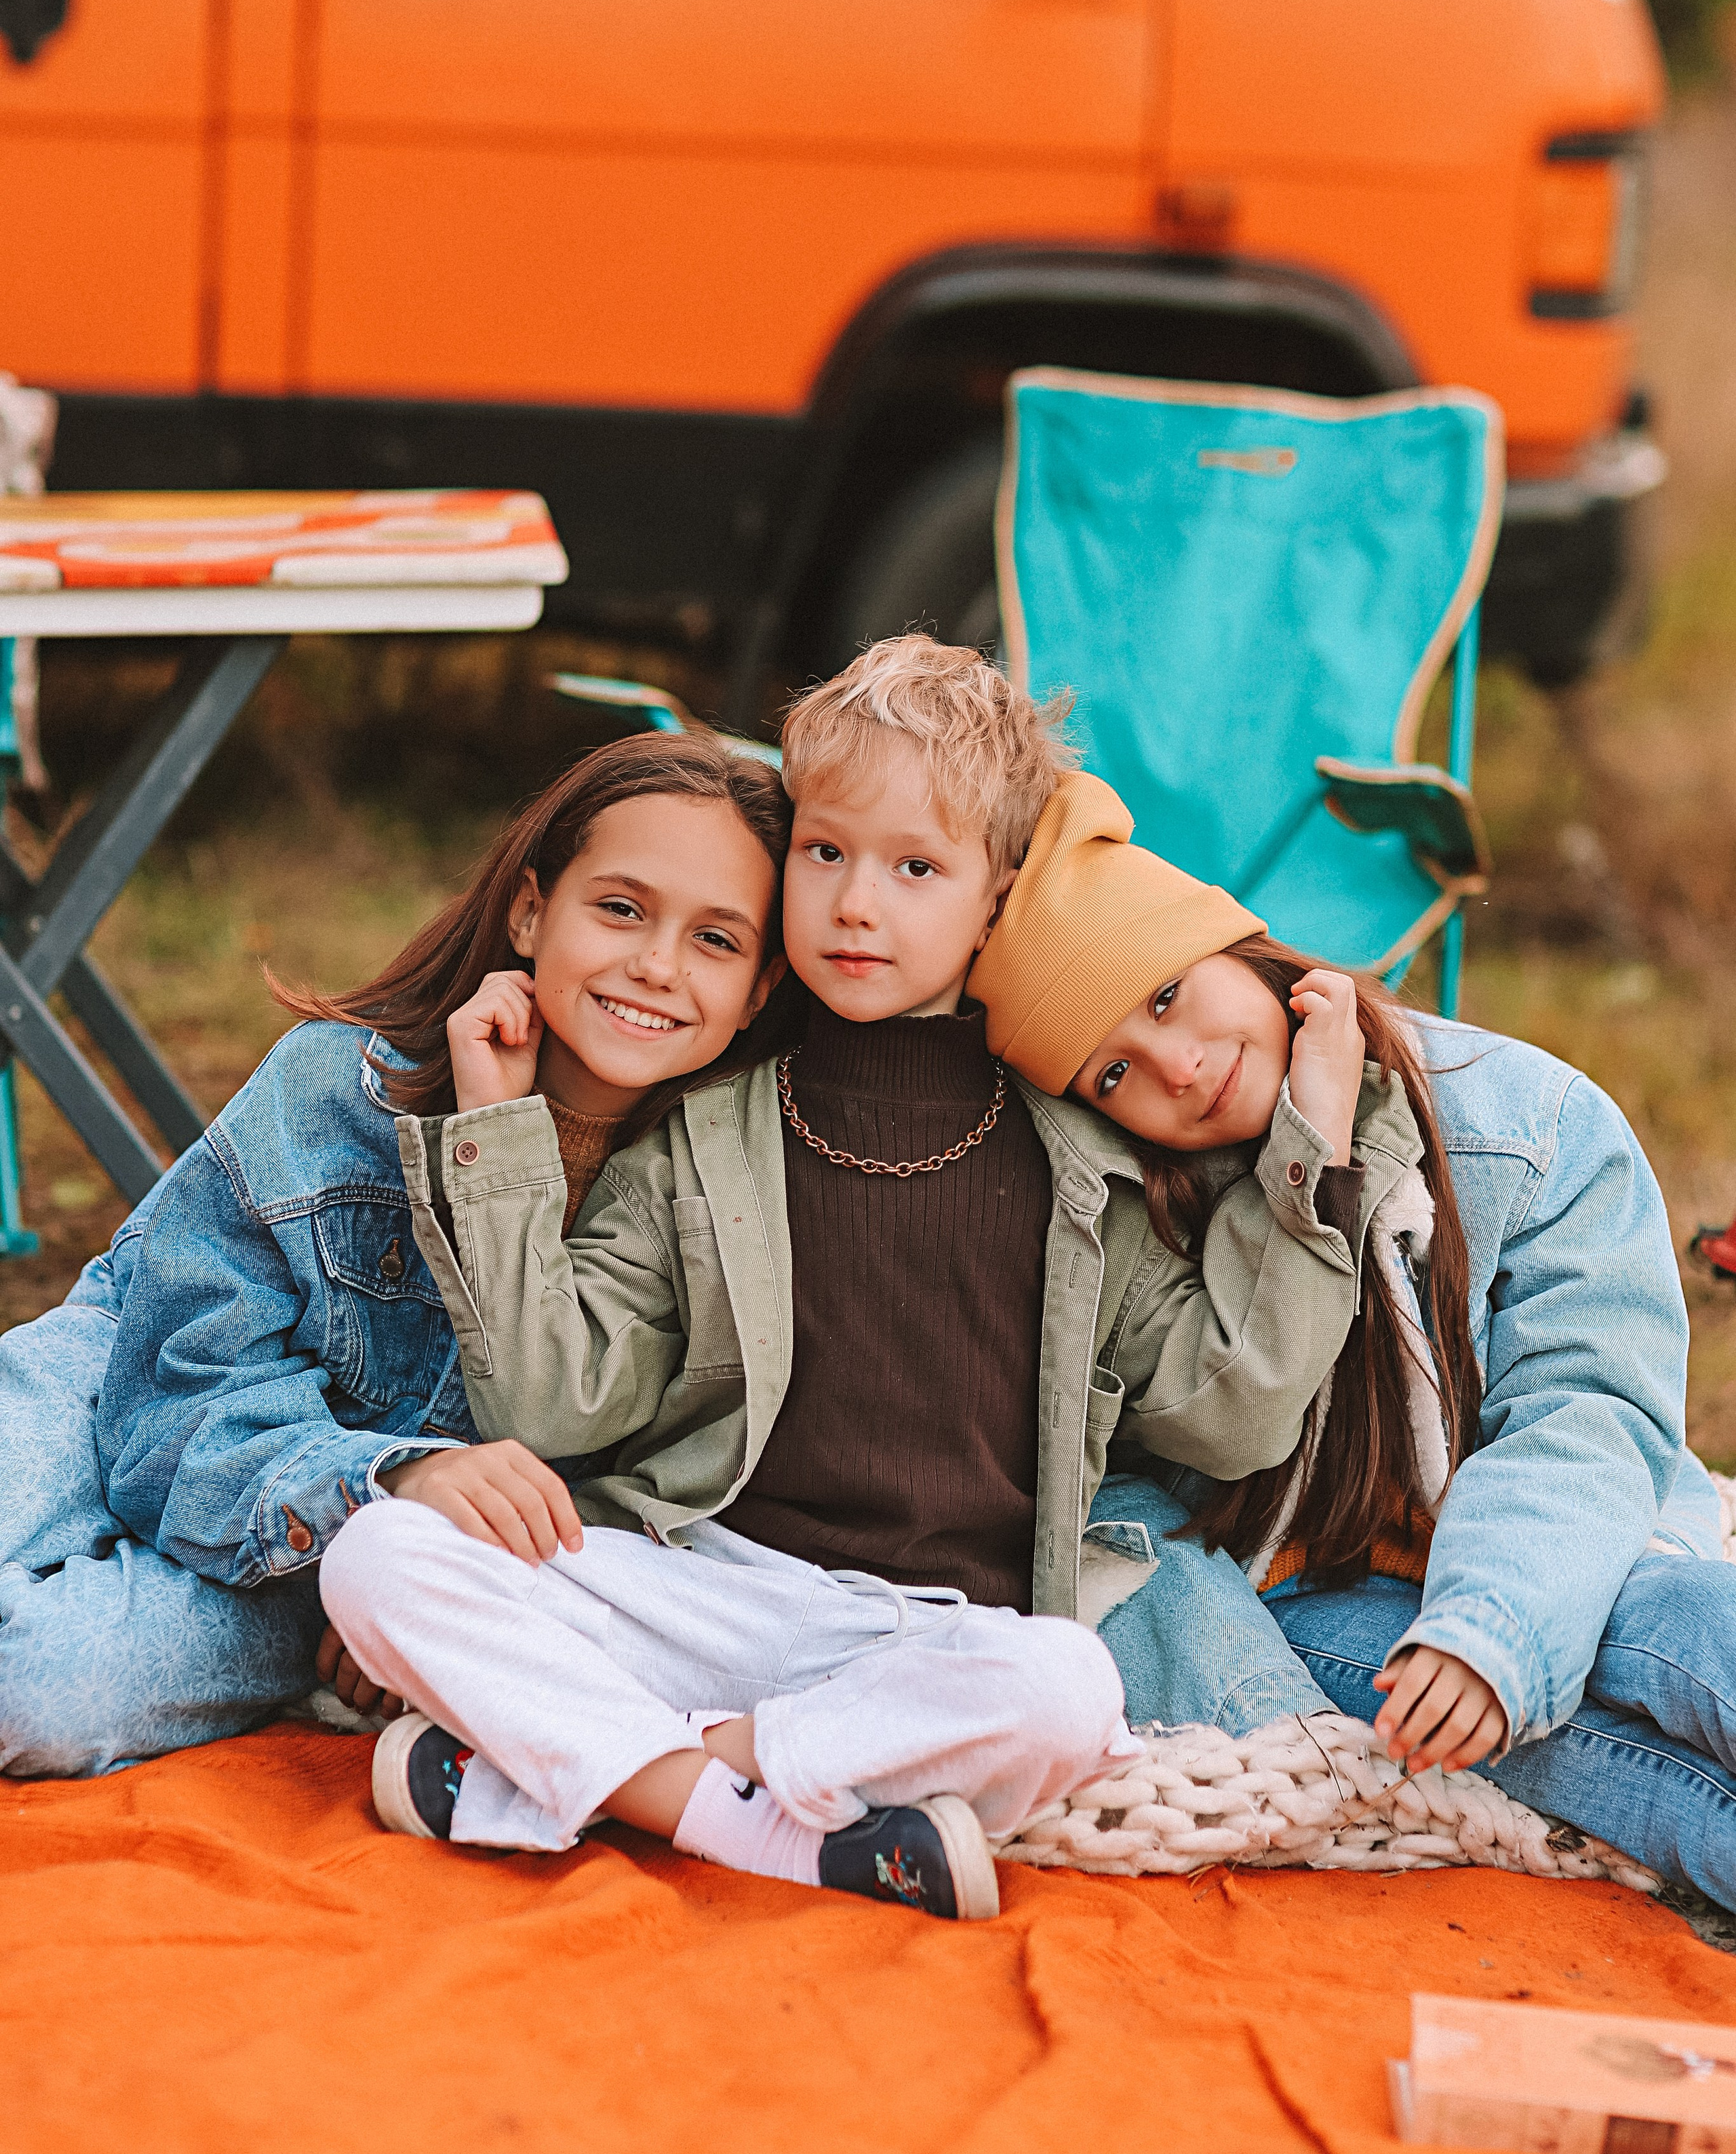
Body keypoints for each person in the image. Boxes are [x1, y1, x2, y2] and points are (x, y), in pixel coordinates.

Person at [319, 636, 1380, 1921]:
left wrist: (1310, 1162)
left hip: (929, 1640)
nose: (856, 904)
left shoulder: (1084, 1169)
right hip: (709, 1584)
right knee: (384, 1552)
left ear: (996, 902)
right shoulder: (708, 1129)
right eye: (824, 854)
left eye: (916, 868)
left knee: (1067, 1692)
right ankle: (758, 1824)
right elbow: (554, 1409)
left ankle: (569, 1772)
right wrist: (497, 1141)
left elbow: (1234, 1414)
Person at [972, 771, 1736, 1911]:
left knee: (1684, 1624)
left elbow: (1588, 1410)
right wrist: (1307, 1164)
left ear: (1241, 946)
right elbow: (1218, 1425)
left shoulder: (1528, 1128)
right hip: (1309, 1587)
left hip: (1546, 1542)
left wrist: (1494, 1629)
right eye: (1115, 1071)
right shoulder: (1137, 1218)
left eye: (1170, 994)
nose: (1174, 1066)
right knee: (1586, 1765)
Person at [0, 731, 793, 1776]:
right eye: (622, 908)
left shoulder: (713, 1203)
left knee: (35, 1689)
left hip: (313, 1566)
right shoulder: (343, 1087)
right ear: (529, 909)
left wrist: (419, 1596)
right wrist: (387, 1481)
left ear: (764, 988)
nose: (657, 963)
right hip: (137, 1395)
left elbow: (628, 1492)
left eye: (717, 940)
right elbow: (170, 1399)